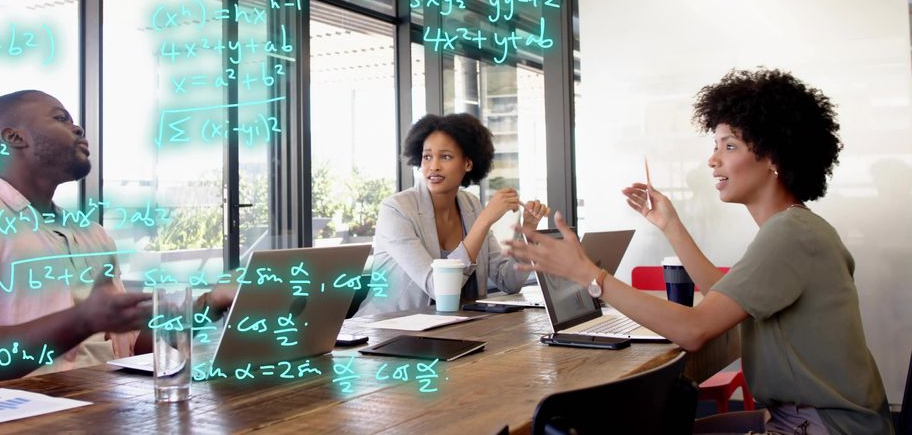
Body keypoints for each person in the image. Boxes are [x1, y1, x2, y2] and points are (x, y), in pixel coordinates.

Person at [504, 69, 893, 435]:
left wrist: (590, 276)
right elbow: (721, 294)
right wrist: (671, 225)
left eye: (730, 146)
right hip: (815, 420)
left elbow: (693, 331)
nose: (713, 160)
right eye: (715, 146)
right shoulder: (795, 227)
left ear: (773, 157)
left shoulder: (790, 234)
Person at [0, 90, 233, 395]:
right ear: (14, 137)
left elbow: (126, 346)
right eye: (60, 118)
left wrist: (209, 304)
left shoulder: (91, 234)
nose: (78, 128)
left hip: (101, 411)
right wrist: (82, 320)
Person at [357, 113, 548, 316]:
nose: (434, 166)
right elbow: (438, 288)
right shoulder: (396, 210)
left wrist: (528, 231)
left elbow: (508, 281)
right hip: (387, 328)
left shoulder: (471, 205)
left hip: (455, 328)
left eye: (445, 156)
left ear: (468, 163)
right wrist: (484, 221)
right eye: (427, 157)